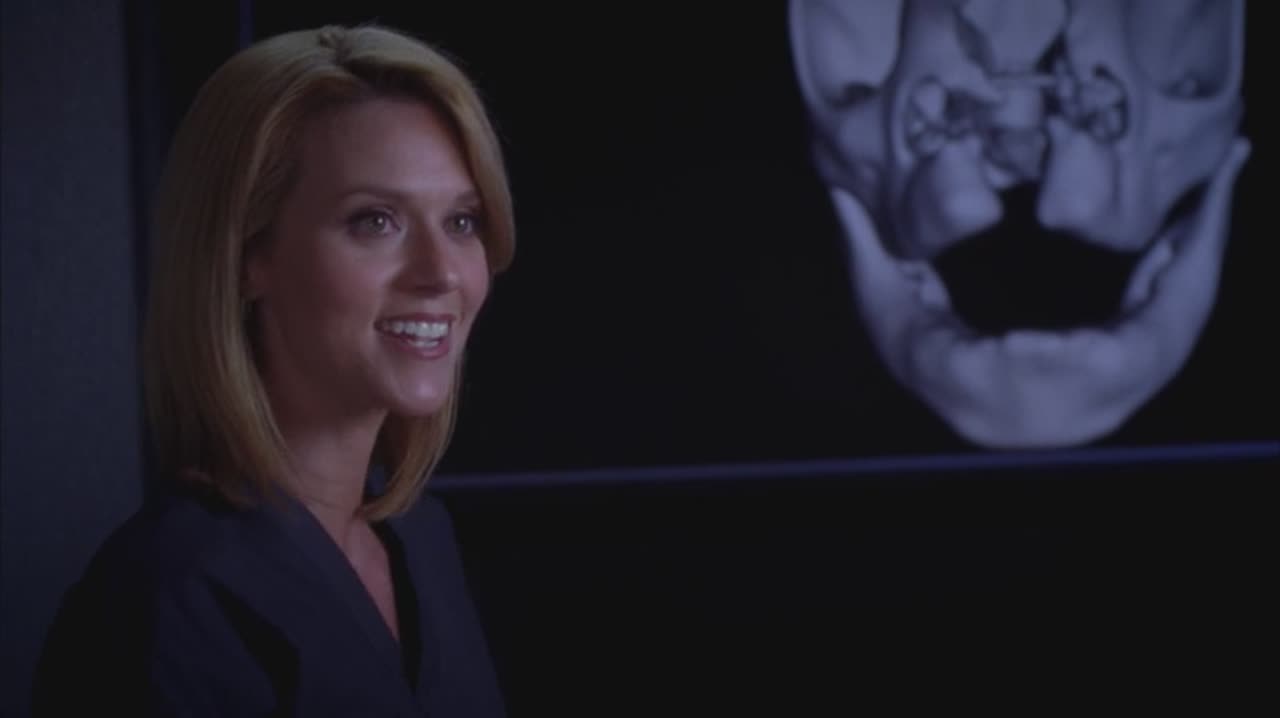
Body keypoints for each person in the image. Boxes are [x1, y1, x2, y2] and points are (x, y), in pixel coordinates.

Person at [32, 23, 514, 716]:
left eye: (461, 222)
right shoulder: (167, 598)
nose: (442, 273)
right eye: (376, 221)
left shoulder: (421, 539)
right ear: (246, 257)